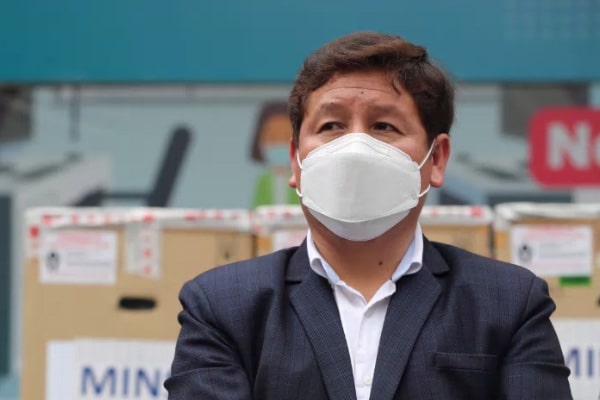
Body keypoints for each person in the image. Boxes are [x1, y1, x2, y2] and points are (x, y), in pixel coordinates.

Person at [165, 31, 572, 399]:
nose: (354, 149)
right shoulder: (224, 306)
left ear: (436, 159)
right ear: (295, 161)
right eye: (331, 126)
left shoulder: (508, 303)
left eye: (383, 126)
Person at [249, 100, 301, 208]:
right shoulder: (263, 180)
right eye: (272, 138)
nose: (279, 144)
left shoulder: (298, 179)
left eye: (286, 137)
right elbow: (256, 208)